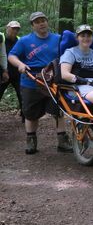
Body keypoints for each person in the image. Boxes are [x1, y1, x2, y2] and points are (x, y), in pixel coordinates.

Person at [8, 12, 72, 154]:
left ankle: (62, 141)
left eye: (43, 20)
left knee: (58, 111)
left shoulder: (58, 39)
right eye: (37, 22)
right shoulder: (24, 41)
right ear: (32, 25)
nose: (41, 23)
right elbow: (12, 55)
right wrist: (19, 64)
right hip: (31, 80)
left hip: (52, 79)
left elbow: (69, 53)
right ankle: (31, 141)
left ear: (47, 22)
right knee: (31, 113)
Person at [0, 21, 23, 118]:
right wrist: (2, 71)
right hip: (3, 73)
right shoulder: (1, 39)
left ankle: (25, 116)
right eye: (13, 28)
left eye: (17, 29)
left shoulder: (20, 40)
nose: (15, 30)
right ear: (7, 28)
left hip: (17, 74)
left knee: (22, 95)